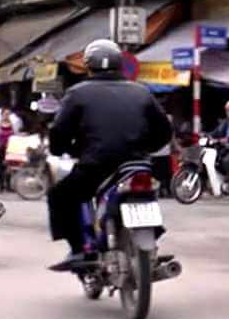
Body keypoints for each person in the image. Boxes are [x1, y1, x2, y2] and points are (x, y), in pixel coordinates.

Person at [46, 40, 174, 271]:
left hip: (96, 166)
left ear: (88, 66)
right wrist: (145, 149)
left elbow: (60, 130)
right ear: (119, 64)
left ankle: (79, 249)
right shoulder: (141, 91)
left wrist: (61, 148)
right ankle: (151, 240)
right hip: (136, 165)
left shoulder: (77, 93)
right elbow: (164, 131)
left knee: (59, 195)